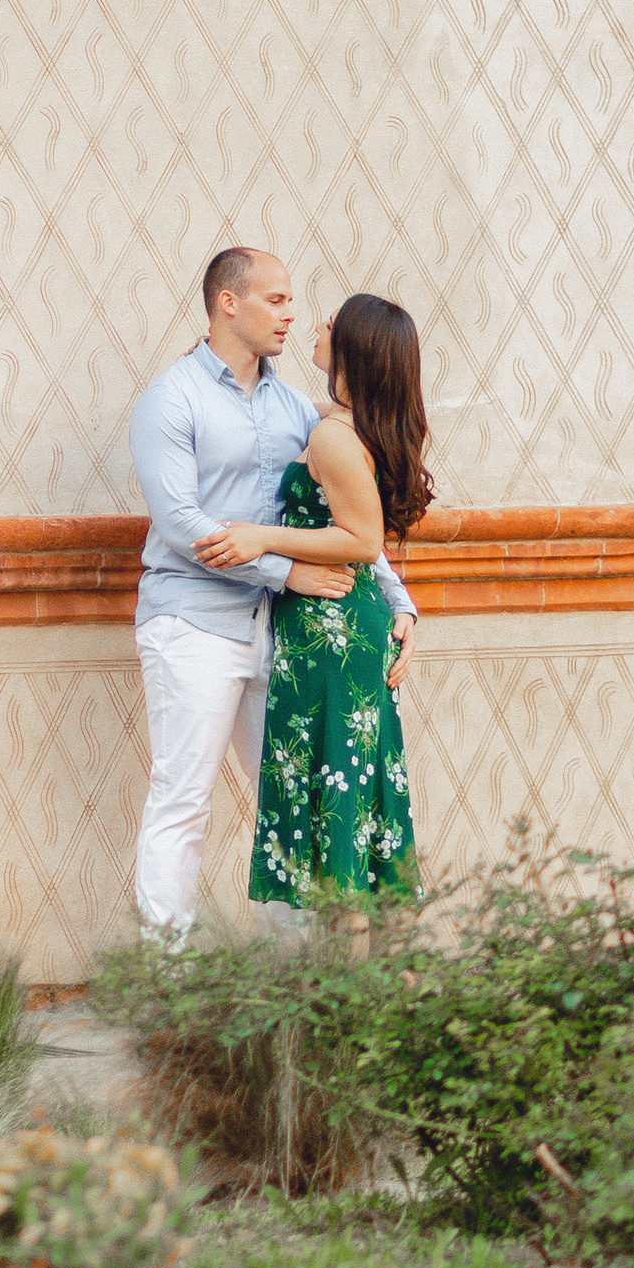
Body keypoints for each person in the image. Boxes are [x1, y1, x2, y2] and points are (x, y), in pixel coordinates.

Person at [125, 246, 416, 943]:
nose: (292, 314)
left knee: (292, 799)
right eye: (277, 300)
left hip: (281, 638)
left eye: (292, 302)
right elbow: (182, 524)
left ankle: (298, 975)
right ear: (230, 303)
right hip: (193, 624)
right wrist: (284, 574)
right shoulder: (172, 399)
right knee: (185, 800)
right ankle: (167, 976)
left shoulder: (296, 409)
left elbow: (338, 523)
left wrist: (400, 600)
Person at [198, 291, 431, 917]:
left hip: (331, 634)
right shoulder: (339, 424)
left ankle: (347, 985)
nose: (318, 323)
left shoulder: (332, 435)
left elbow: (361, 538)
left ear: (353, 349)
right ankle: (360, 981)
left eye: (334, 320)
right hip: (336, 626)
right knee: (348, 792)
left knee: (338, 792)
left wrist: (261, 539)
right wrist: (401, 604)